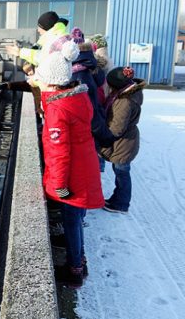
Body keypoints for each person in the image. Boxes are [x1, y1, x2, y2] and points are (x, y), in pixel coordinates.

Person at [32, 41, 105, 287]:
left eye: (41, 79)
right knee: (76, 220)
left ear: (52, 82)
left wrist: (60, 185)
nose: (38, 82)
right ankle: (80, 262)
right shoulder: (76, 97)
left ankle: (75, 270)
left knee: (72, 221)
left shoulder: (58, 110)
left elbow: (59, 153)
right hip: (84, 168)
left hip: (73, 175)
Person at [98, 66, 146, 213]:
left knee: (122, 173)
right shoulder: (126, 94)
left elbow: (117, 128)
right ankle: (118, 199)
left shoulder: (125, 101)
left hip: (124, 143)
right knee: (121, 172)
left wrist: (103, 136)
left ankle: (121, 203)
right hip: (126, 141)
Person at [4, 11, 69, 68]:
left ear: (47, 28)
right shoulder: (54, 38)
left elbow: (42, 57)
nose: (38, 30)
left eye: (40, 27)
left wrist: (20, 52)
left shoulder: (55, 41)